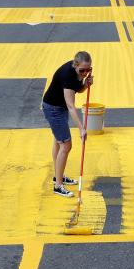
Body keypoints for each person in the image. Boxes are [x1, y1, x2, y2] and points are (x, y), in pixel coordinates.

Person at [43, 52, 93, 197]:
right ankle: (58, 186)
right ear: (75, 65)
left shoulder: (78, 73)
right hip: (54, 109)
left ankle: (59, 175)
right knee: (66, 145)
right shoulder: (67, 75)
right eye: (82, 70)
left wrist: (85, 83)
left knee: (58, 142)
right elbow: (71, 105)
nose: (85, 73)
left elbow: (79, 89)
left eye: (88, 69)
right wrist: (82, 128)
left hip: (59, 107)